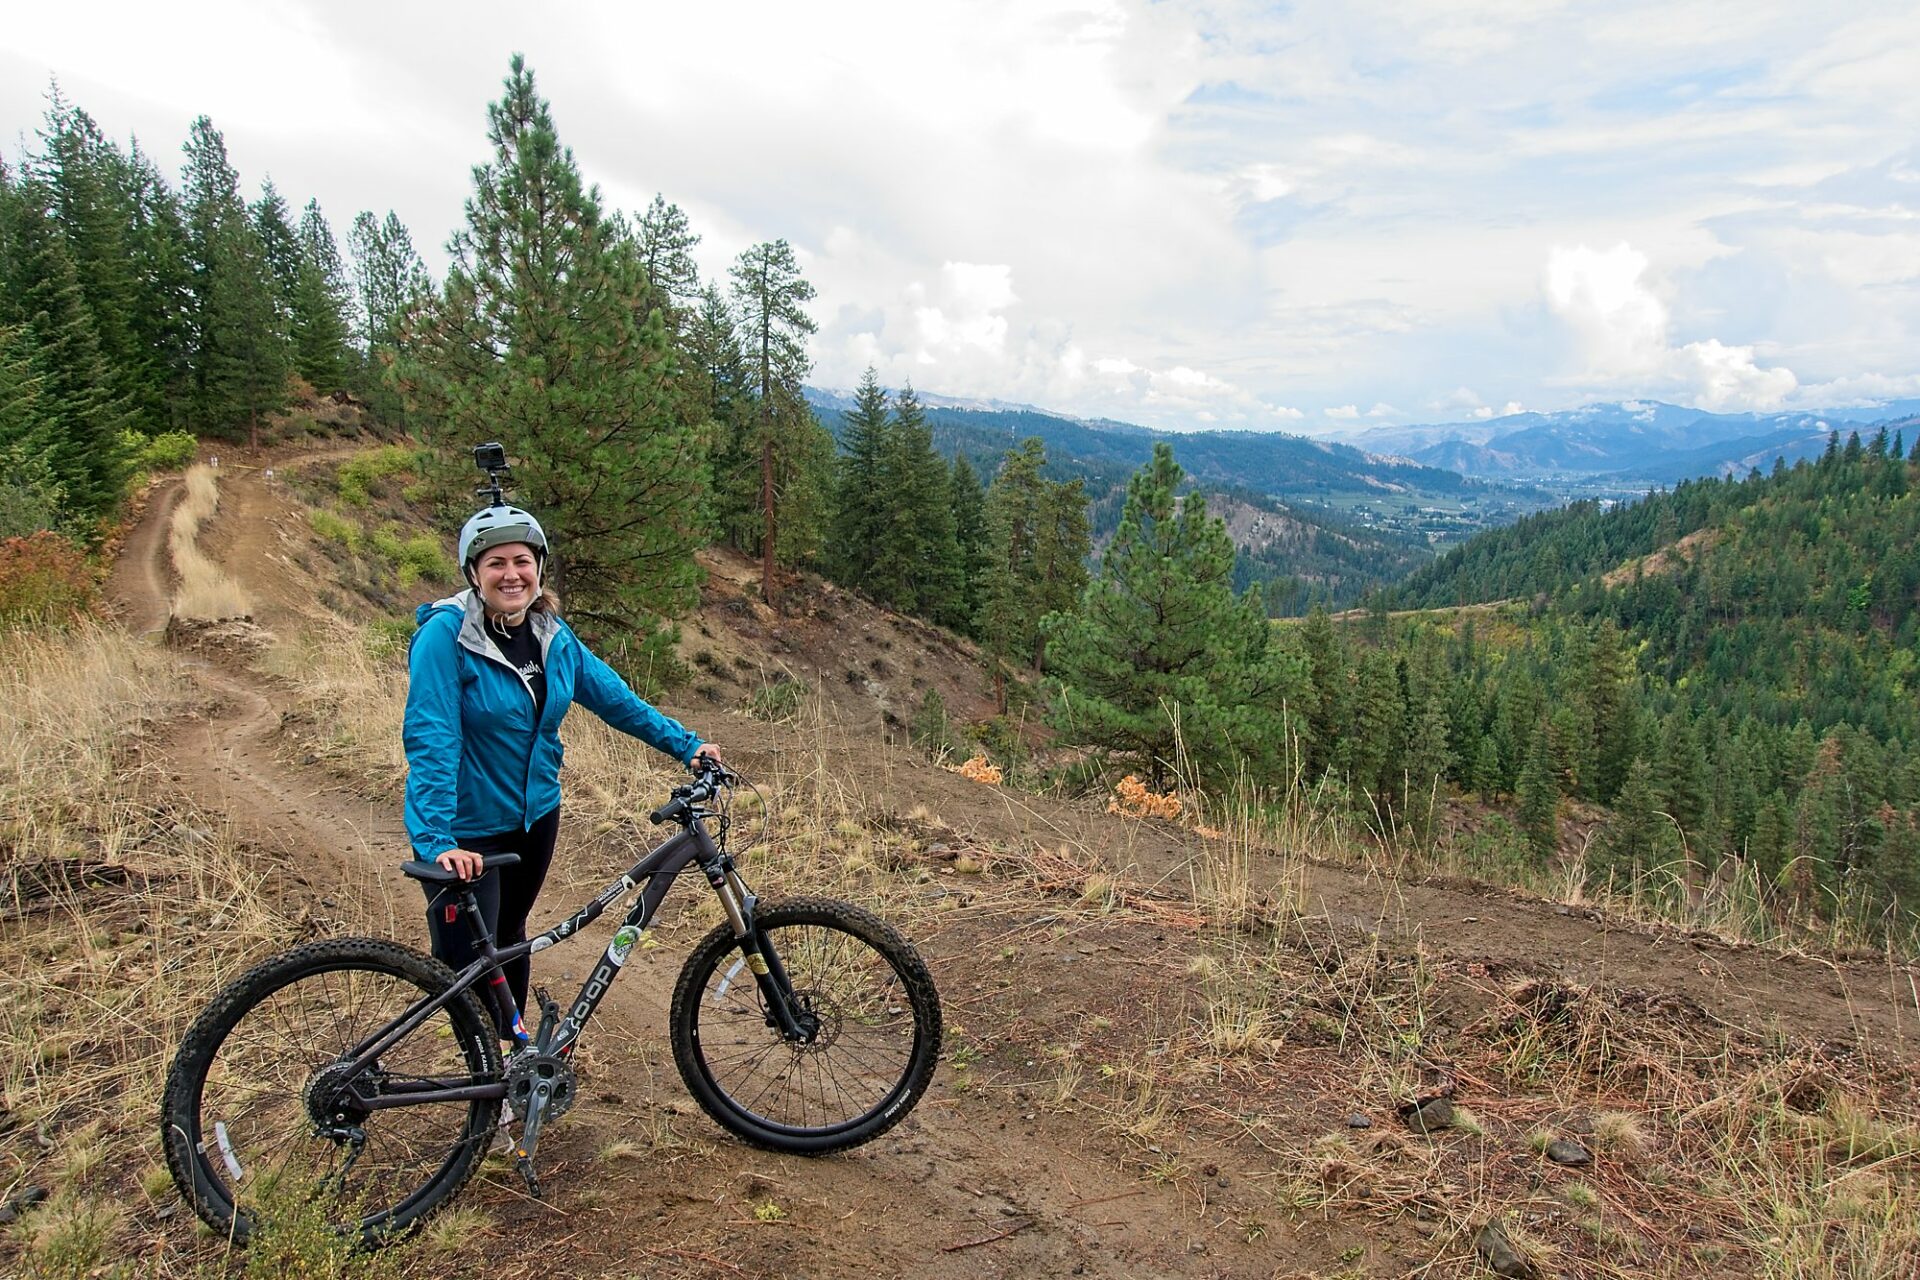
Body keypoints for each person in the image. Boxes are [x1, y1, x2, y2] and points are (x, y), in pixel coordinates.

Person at [403, 501, 720, 1041]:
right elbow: (432, 739)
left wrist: (686, 745)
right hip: (466, 828)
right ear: (473, 573)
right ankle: (478, 1075)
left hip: (534, 818)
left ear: (539, 568)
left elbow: (615, 699)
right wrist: (437, 840)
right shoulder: (446, 637)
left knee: (510, 938)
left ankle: (511, 1062)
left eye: (522, 561)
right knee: (465, 962)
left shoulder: (551, 633)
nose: (511, 574)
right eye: (496, 562)